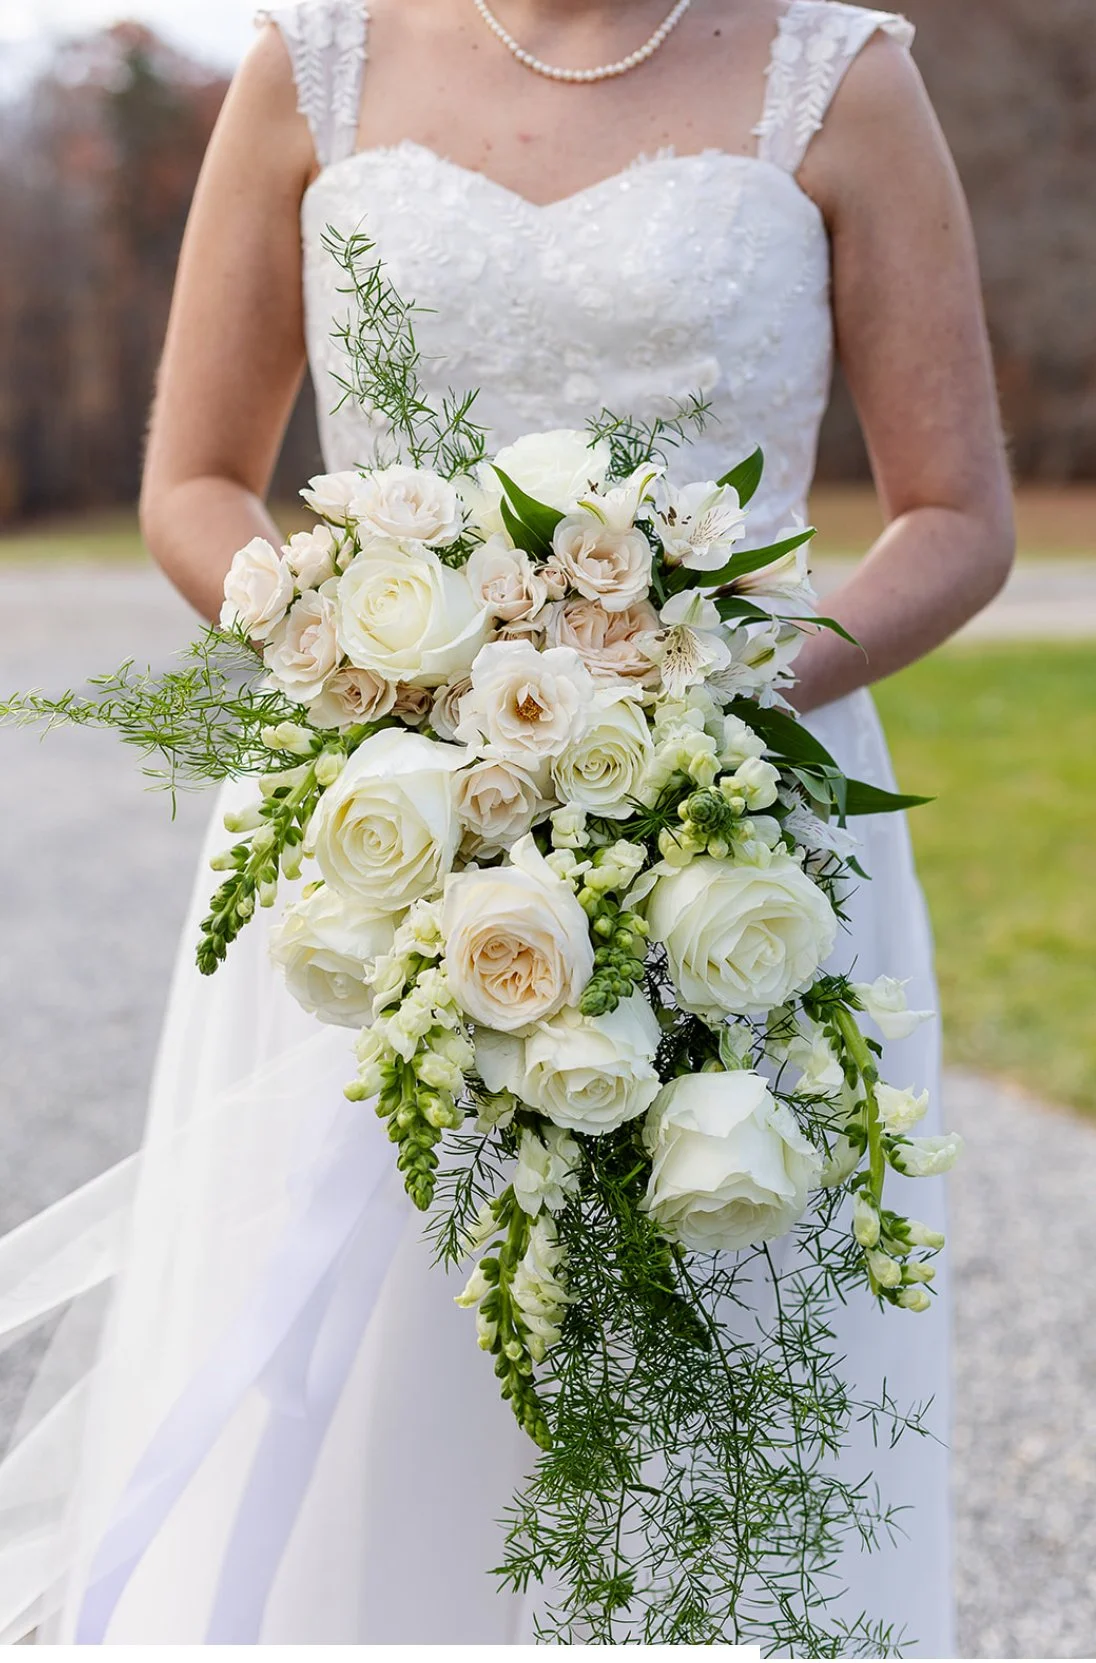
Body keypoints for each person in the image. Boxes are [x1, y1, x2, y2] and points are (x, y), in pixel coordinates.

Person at [0, 0, 1013, 1646]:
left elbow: (958, 513)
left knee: (721, 1362)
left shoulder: (841, 78)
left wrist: (712, 703)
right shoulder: (309, 61)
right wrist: (369, 663)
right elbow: (194, 478)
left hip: (732, 830)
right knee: (359, 1357)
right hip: (375, 822)